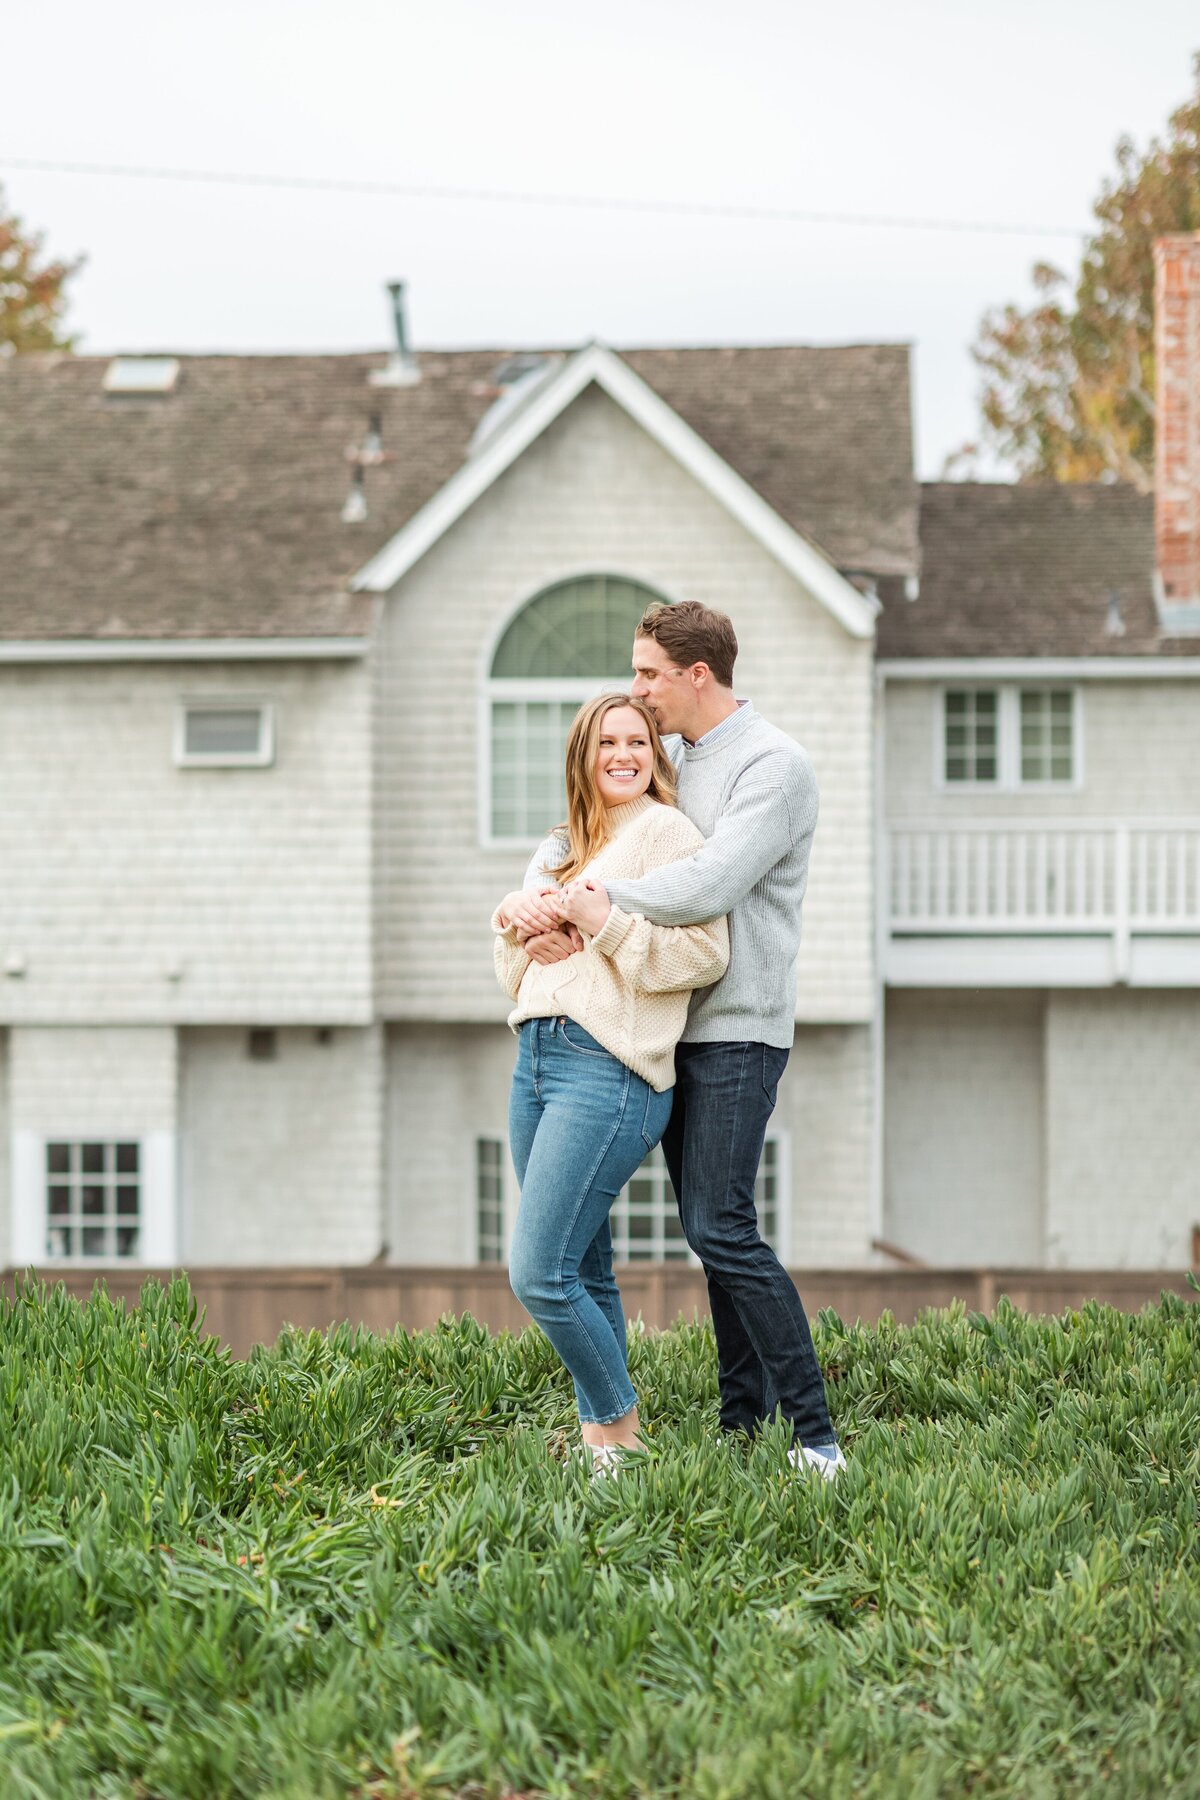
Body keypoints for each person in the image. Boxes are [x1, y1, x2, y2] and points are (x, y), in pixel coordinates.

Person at [514, 601, 845, 1481]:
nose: (637, 691)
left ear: (696, 675)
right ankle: (744, 1426)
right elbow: (605, 835)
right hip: (661, 1034)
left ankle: (816, 1438)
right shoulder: (681, 761)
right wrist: (551, 907)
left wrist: (591, 905)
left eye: (649, 673)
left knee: (720, 1223)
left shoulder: (774, 766)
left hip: (737, 1030)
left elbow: (709, 881)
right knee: (710, 1235)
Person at [492, 693, 729, 1474]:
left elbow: (703, 957)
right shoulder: (563, 844)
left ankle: (615, 1429)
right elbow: (513, 976)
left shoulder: (669, 833)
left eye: (637, 741)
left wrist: (603, 926)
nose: (622, 754)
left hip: (610, 1070)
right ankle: (613, 1467)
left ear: (655, 756)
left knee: (539, 1272)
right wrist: (518, 924)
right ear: (582, 757)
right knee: (584, 1267)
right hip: (535, 1059)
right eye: (606, 743)